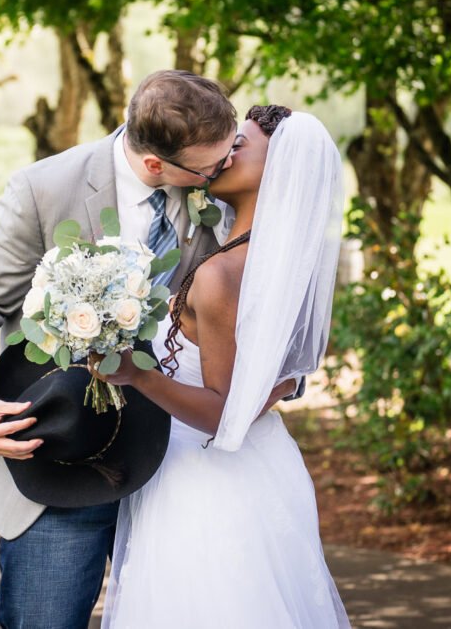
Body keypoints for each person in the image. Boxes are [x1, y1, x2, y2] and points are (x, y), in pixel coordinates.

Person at [0, 70, 248, 627]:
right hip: (66, 455)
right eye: (210, 166)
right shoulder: (42, 189)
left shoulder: (224, 193)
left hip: (182, 464)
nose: (224, 170)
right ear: (156, 163)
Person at [96, 106, 351, 627]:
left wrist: (135, 372)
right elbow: (272, 377)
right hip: (264, 468)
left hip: (207, 483)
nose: (221, 154)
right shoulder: (265, 259)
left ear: (277, 168)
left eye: (239, 146)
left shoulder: (224, 273)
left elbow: (223, 413)